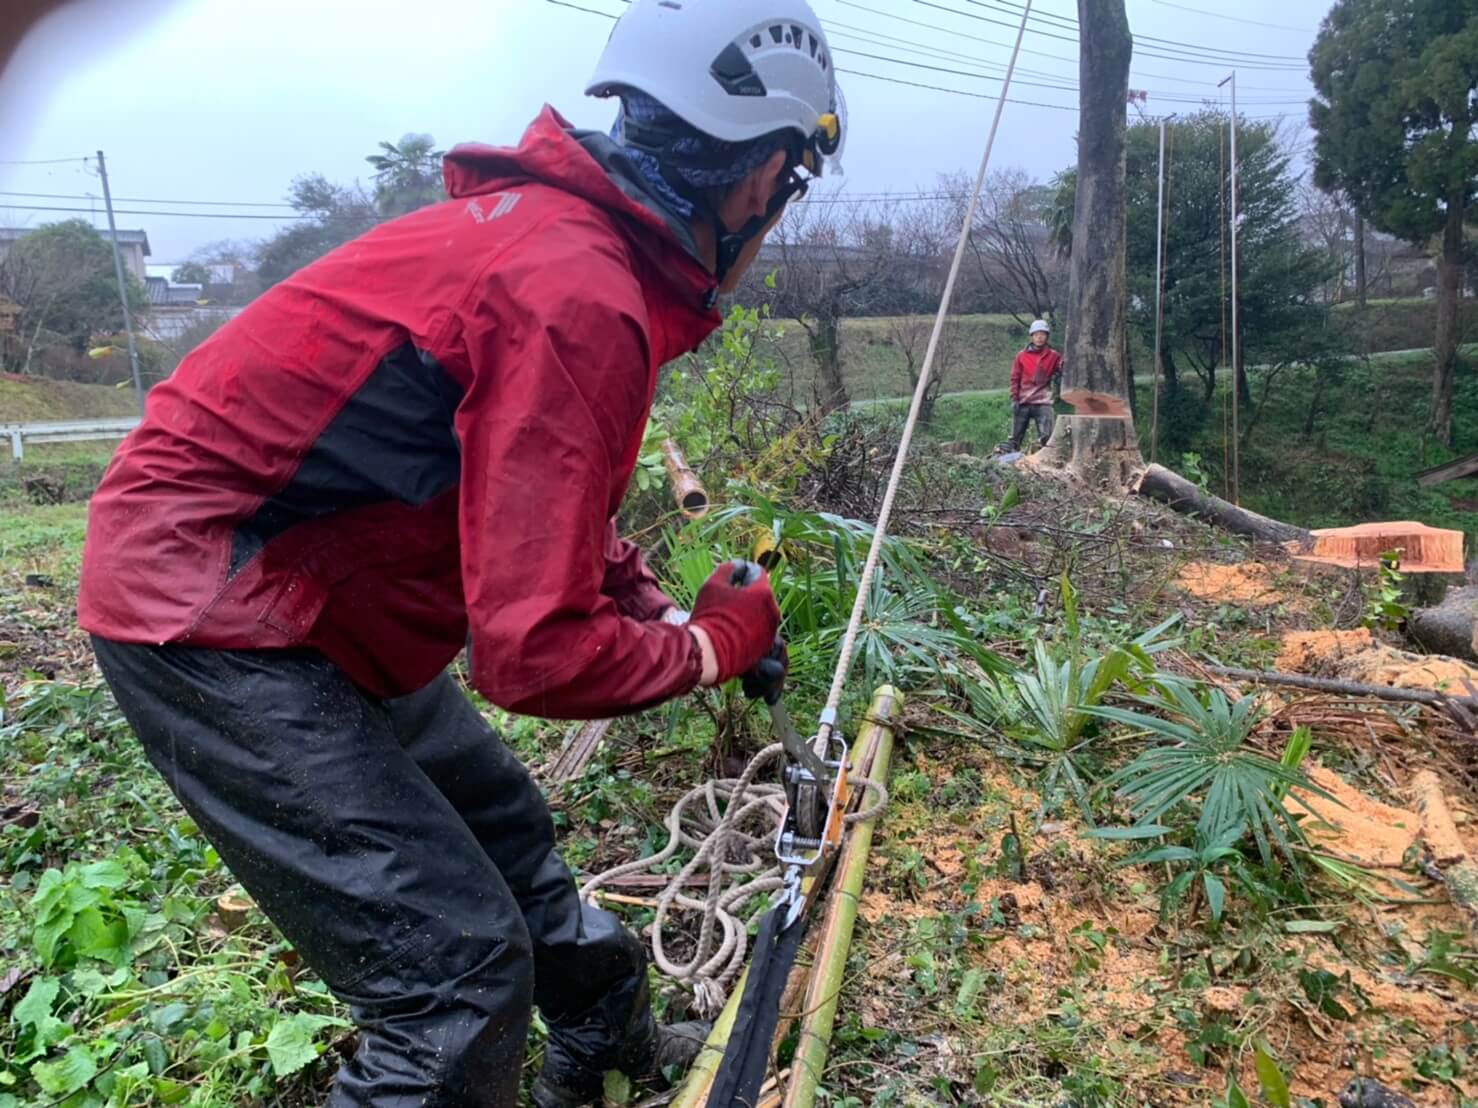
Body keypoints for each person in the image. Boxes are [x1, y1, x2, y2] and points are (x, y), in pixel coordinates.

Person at [76, 2, 845, 1105]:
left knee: (505, 832)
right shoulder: (574, 291)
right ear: (761, 175)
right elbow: (531, 657)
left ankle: (599, 1052)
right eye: (790, 190)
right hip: (210, 600)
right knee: (455, 980)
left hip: (325, 582)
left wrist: (664, 611)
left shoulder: (569, 252)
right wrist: (710, 653)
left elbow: (539, 503)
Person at [1008, 319, 1062, 452]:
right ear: (1031, 336)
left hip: (1043, 401)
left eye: (1042, 334)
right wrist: (1014, 398)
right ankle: (1010, 460)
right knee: (1014, 438)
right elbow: (1015, 378)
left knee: (1047, 439)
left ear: (1047, 336)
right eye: (1036, 334)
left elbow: (1063, 368)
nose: (1039, 337)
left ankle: (1045, 459)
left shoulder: (1054, 356)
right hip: (1023, 400)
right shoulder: (1021, 356)